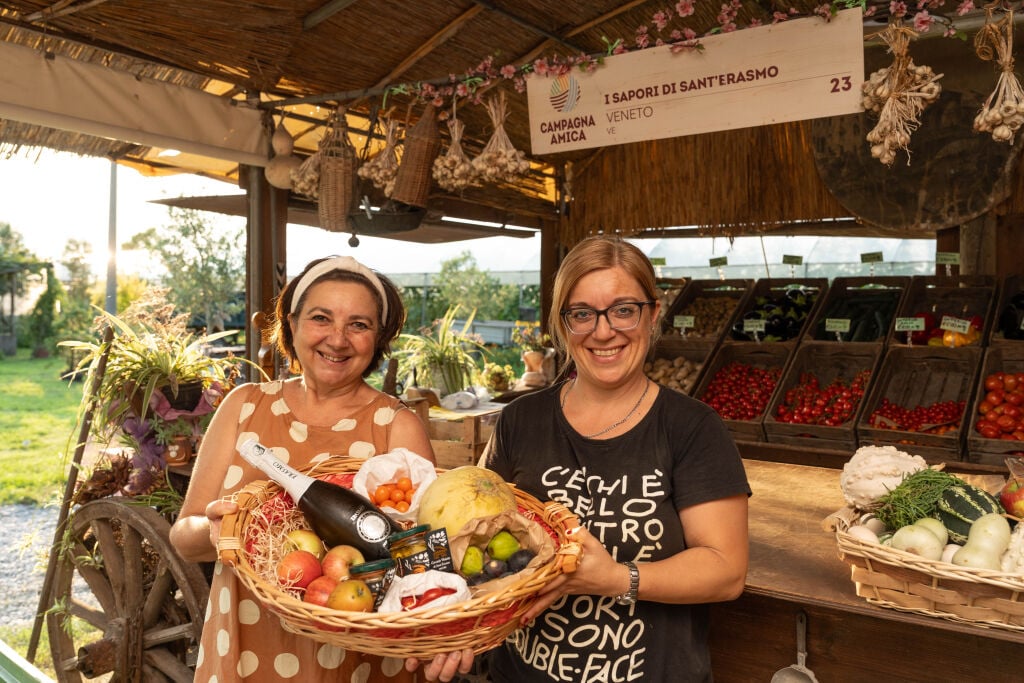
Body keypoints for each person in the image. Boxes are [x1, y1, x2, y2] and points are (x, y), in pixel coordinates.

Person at [479, 235, 750, 681]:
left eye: (623, 310)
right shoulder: (519, 421)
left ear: (652, 314)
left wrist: (617, 578)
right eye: (582, 314)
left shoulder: (693, 429)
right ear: (562, 324)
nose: (603, 331)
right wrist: (459, 631)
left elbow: (725, 571)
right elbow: (478, 539)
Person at [170, 255, 440, 682]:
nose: (338, 339)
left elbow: (426, 562)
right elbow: (183, 535)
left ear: (378, 339)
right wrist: (214, 531)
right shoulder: (242, 407)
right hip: (246, 645)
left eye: (359, 324)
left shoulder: (396, 426)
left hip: (357, 661)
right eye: (321, 318)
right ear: (291, 324)